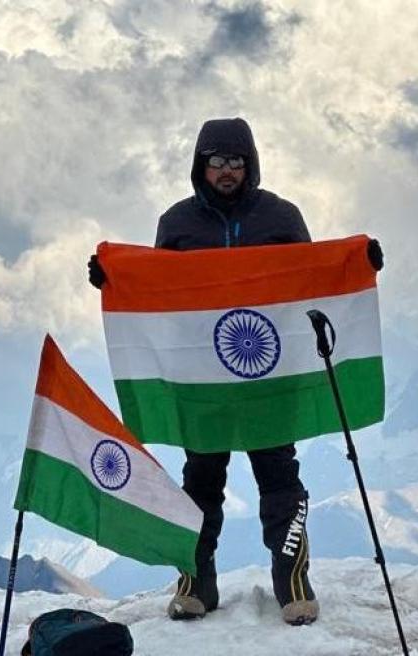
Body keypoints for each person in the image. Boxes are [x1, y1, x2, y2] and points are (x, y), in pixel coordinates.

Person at [88, 117, 319, 625]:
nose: (227, 170)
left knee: (280, 478)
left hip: (268, 377)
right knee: (201, 481)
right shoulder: (177, 224)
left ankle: (293, 583)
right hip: (203, 380)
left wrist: (359, 265)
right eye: (216, 161)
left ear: (250, 163)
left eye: (236, 160)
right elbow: (157, 293)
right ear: (200, 165)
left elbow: (314, 281)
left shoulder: (281, 217)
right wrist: (113, 278)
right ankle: (197, 584)